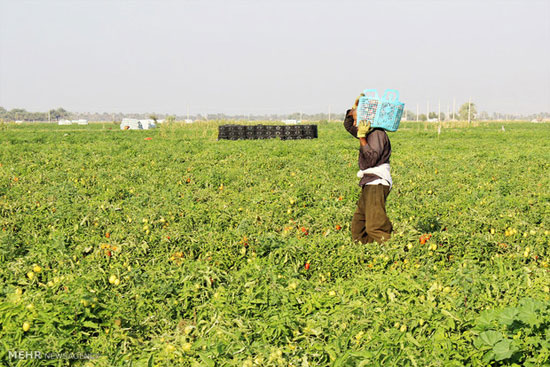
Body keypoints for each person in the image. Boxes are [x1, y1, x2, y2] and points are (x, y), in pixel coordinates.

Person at [343, 94, 393, 244]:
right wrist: (353, 109)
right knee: (359, 228)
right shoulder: (367, 130)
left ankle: (397, 247)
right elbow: (348, 126)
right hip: (369, 181)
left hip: (377, 182)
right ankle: (369, 254)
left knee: (375, 227)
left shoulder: (377, 133)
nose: (355, 121)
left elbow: (371, 159)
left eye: (358, 117)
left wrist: (362, 138)